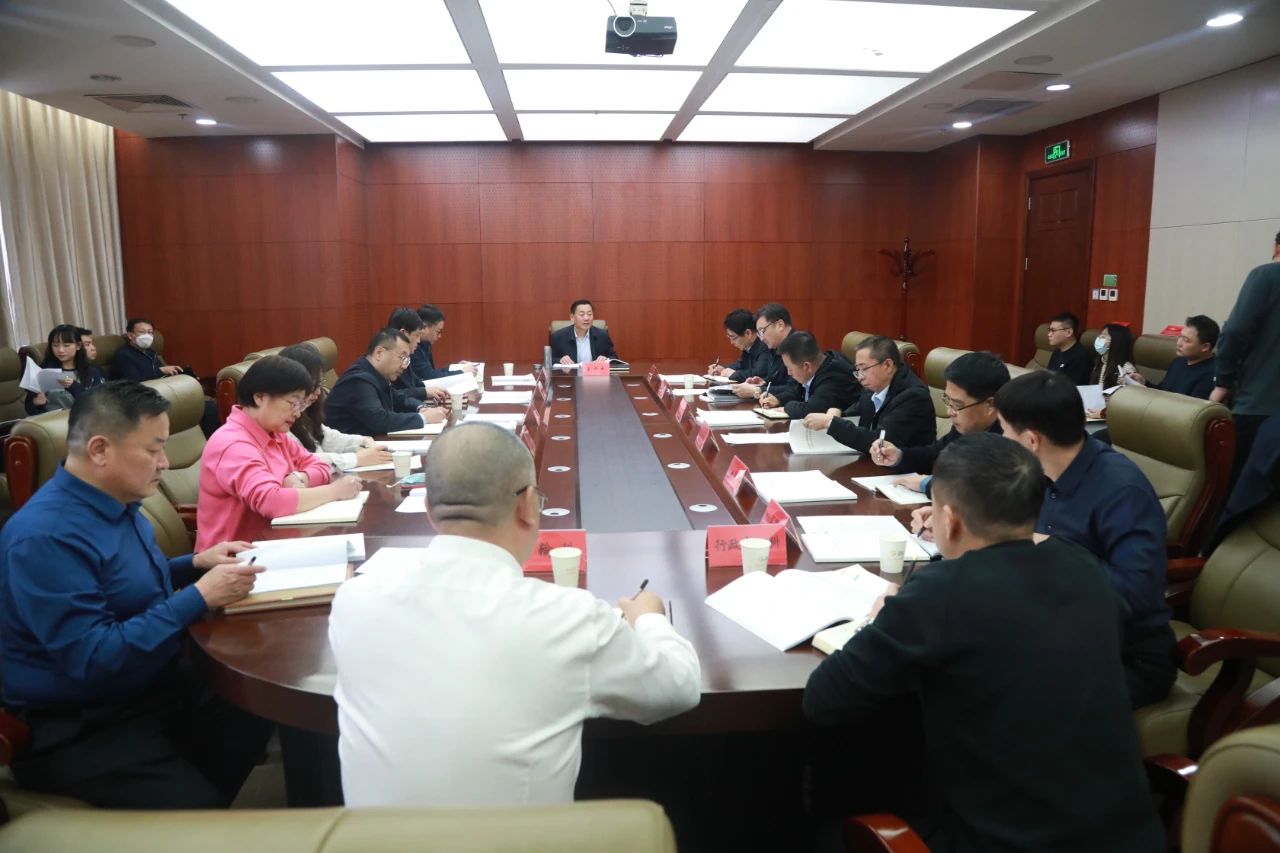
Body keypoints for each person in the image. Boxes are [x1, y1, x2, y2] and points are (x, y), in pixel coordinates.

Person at [804, 433, 1163, 851]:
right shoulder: (1083, 565)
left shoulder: (939, 593)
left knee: (835, 799)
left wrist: (879, 620)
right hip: (1130, 836)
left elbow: (824, 699)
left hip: (1011, 842)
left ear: (949, 519)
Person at [330, 422, 701, 806]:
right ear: (527, 506)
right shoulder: (568, 618)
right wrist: (650, 618)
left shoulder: (355, 601)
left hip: (368, 837)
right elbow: (678, 687)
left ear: (429, 511)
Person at [0, 381, 272, 808]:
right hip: (81, 721)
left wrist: (194, 564)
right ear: (100, 450)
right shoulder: (46, 537)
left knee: (258, 701)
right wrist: (198, 596)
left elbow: (120, 586)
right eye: (153, 449)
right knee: (197, 807)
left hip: (150, 683)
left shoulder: (117, 500)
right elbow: (92, 658)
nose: (165, 463)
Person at [993, 370, 1174, 707]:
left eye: (1004, 430)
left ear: (1031, 440)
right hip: (1053, 627)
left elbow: (1136, 593)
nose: (1002, 439)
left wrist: (1053, 551)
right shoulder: (1044, 470)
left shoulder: (1122, 491)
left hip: (1121, 656)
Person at [196, 356, 361, 549]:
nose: (298, 413)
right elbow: (271, 501)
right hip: (234, 558)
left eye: (301, 405)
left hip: (276, 542)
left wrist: (301, 477)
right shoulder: (232, 443)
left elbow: (320, 465)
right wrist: (334, 492)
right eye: (293, 403)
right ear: (260, 397)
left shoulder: (275, 433)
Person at [870, 350, 1009, 494]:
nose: (949, 412)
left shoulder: (1011, 437)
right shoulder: (968, 426)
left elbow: (983, 489)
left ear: (990, 405)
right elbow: (934, 455)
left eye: (957, 404)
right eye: (947, 400)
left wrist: (927, 484)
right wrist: (899, 456)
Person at [1211, 238, 1280, 483]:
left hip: (1258, 407)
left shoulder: (1266, 275)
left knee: (1234, 487)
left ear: (1276, 247)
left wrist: (1223, 381)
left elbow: (1235, 332)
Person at [802, 335, 935, 454]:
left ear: (888, 365)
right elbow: (855, 414)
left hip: (906, 470)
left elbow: (880, 442)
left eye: (864, 369)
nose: (860, 377)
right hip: (874, 464)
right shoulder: (873, 388)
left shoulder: (913, 396)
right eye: (857, 370)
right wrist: (838, 412)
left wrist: (830, 423)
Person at [279, 343, 392, 475]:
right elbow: (305, 460)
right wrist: (356, 459)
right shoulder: (281, 424)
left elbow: (327, 436)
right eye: (313, 385)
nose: (318, 392)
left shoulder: (305, 414)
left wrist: (363, 441)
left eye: (320, 384)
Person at [325, 329, 449, 437]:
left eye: (407, 360)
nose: (404, 366)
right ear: (379, 353)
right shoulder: (358, 380)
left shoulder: (375, 374)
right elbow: (379, 420)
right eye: (402, 357)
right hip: (348, 450)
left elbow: (398, 399)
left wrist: (421, 408)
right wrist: (423, 418)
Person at [110, 317, 219, 437]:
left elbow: (161, 376)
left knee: (209, 404)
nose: (147, 336)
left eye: (150, 332)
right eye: (142, 332)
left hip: (162, 392)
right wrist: (160, 370)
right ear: (131, 335)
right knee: (209, 407)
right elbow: (134, 382)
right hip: (141, 399)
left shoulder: (151, 353)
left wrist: (181, 375)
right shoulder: (124, 356)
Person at [759, 331, 857, 418]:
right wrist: (778, 399)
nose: (789, 373)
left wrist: (786, 408)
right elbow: (796, 391)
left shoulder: (835, 378)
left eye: (790, 368)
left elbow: (811, 410)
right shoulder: (818, 367)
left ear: (807, 366)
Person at [1130, 315, 1218, 400]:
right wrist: (1144, 383)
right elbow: (1163, 391)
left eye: (1186, 340)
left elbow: (1194, 407)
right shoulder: (1178, 361)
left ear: (1205, 347)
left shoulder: (1212, 373)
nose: (1179, 343)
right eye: (1180, 337)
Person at [24, 323, 104, 414]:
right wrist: (36, 403)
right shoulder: (43, 372)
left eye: (66, 345)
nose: (60, 350)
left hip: (82, 419)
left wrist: (73, 385)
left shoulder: (93, 372)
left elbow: (96, 404)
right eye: (55, 345)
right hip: (52, 420)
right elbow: (29, 408)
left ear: (78, 346)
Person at [387, 307, 448, 405]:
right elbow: (392, 395)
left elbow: (416, 383)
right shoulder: (388, 358)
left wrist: (431, 392)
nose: (419, 341)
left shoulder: (404, 357)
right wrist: (423, 397)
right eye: (417, 335)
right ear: (403, 334)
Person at [732, 303, 793, 399]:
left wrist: (758, 390)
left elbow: (794, 390)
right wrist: (764, 383)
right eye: (759, 333)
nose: (762, 339)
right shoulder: (776, 347)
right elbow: (778, 379)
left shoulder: (798, 345)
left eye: (762, 331)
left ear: (780, 325)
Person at [1084, 323, 1138, 419]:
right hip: (1094, 412)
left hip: (1110, 417)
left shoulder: (1126, 368)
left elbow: (1126, 404)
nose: (1099, 339)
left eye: (1103, 336)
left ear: (1116, 341)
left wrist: (1102, 414)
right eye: (1099, 335)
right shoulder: (1100, 362)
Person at [413, 304, 476, 380]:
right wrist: (461, 373)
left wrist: (456, 368)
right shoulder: (413, 347)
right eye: (438, 331)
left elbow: (431, 373)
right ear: (424, 327)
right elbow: (430, 377)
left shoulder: (425, 344)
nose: (439, 336)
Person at [707, 309, 769, 382]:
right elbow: (741, 365)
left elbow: (759, 373)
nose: (731, 342)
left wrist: (733, 374)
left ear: (748, 333)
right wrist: (722, 369)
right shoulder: (748, 346)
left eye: (733, 337)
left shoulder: (765, 345)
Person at [551, 299, 618, 365]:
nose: (586, 318)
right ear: (572, 317)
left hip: (594, 372)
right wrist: (560, 360)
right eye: (582, 314)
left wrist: (606, 359)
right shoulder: (558, 337)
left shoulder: (602, 336)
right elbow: (550, 360)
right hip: (571, 372)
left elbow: (614, 358)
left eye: (589, 314)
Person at [1044, 312, 1093, 385]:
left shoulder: (1081, 356)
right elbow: (1047, 377)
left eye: (1053, 330)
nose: (1049, 334)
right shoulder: (1057, 352)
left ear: (1069, 332)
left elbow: (1070, 388)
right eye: (1049, 330)